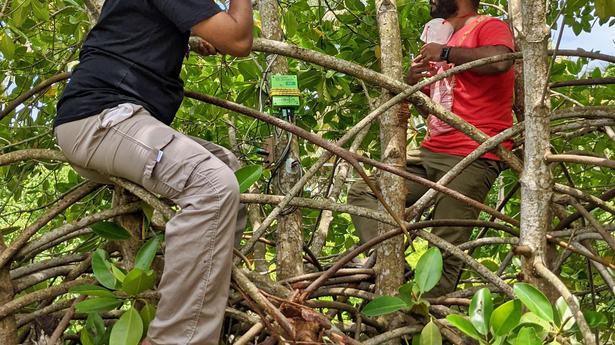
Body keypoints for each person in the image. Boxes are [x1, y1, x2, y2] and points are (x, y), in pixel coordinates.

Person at [53, 0, 252, 344]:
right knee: (213, 186)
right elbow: (238, 40)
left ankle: (209, 303)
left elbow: (139, 28)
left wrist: (187, 35)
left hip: (121, 122)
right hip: (101, 119)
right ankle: (175, 337)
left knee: (229, 170)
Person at [347, 0, 514, 297]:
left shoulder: (488, 26)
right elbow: (436, 105)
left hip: (474, 153)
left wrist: (446, 53)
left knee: (445, 250)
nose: (431, 1)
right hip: (430, 150)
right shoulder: (441, 36)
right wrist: (413, 83)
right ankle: (395, 267)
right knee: (364, 190)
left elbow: (501, 59)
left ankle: (426, 321)